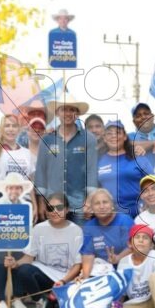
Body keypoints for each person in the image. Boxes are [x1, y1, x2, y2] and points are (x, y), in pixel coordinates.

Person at [4, 193, 83, 308]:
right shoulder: (39, 229)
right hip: (45, 276)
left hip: (67, 279)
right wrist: (15, 263)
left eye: (60, 207)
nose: (55, 211)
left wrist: (63, 281)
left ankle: (53, 301)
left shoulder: (76, 231)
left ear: (67, 210)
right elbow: (29, 257)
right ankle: (40, 301)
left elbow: (78, 265)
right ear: (46, 211)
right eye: (51, 208)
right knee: (23, 270)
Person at [34, 92, 98, 224]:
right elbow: (41, 171)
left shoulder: (89, 139)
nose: (68, 113)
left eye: (72, 110)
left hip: (79, 204)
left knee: (80, 240)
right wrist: (41, 202)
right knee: (55, 240)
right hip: (53, 204)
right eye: (64, 109)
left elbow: (92, 171)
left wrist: (89, 200)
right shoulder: (47, 139)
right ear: (57, 113)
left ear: (78, 114)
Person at [0, 172, 32, 308]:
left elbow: (27, 226)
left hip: (19, 239)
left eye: (17, 188)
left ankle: (17, 297)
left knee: (19, 262)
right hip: (2, 240)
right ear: (6, 189)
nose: (14, 191)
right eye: (11, 188)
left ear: (21, 190)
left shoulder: (25, 205)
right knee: (2, 260)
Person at [97, 120, 155, 217]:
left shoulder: (137, 156)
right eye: (109, 133)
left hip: (138, 212)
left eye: (117, 133)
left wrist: (148, 202)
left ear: (124, 137)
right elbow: (95, 187)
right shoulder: (99, 160)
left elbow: (153, 182)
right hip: (109, 215)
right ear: (104, 138)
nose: (113, 136)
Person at [79, 189, 134, 278]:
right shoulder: (89, 227)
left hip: (126, 268)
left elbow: (133, 247)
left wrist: (118, 258)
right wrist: (85, 278)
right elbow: (88, 254)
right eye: (97, 203)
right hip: (102, 271)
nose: (101, 206)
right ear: (92, 209)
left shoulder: (125, 221)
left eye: (105, 202)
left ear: (112, 205)